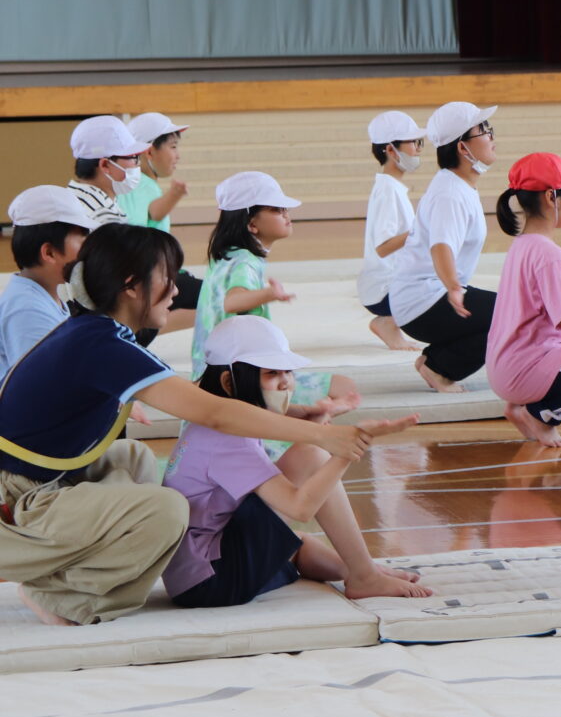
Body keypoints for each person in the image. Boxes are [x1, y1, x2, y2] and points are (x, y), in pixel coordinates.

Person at [0, 224, 374, 626]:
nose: (176, 289)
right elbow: (212, 412)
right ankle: (60, 594)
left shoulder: (101, 334)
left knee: (135, 459)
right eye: (167, 277)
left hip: (41, 479)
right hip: (20, 492)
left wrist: (296, 416)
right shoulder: (101, 345)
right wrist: (324, 436)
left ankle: (67, 572)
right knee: (165, 510)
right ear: (131, 285)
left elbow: (197, 397)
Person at [162, 316, 427, 606]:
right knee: (310, 455)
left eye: (287, 371)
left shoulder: (211, 423)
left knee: (297, 544)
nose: (285, 382)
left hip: (193, 578)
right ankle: (365, 576)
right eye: (272, 373)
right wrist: (347, 450)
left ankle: (363, 570)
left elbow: (269, 420)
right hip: (213, 578)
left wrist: (310, 418)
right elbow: (300, 507)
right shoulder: (228, 441)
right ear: (229, 382)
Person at [193, 171, 359, 419]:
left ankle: (307, 418)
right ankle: (310, 424)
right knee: (345, 388)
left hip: (214, 373)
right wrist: (269, 293)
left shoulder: (228, 256)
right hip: (242, 376)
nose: (286, 216)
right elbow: (232, 300)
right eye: (276, 210)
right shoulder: (244, 262)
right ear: (251, 224)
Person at [388, 101, 501, 394]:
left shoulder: (458, 184)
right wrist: (453, 287)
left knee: (508, 309)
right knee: (511, 314)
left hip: (429, 296)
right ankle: (441, 369)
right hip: (423, 302)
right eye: (484, 130)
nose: (492, 136)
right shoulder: (450, 193)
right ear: (463, 148)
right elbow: (441, 246)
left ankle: (435, 359)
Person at [486, 153, 561, 449]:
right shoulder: (550, 255)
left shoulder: (522, 244)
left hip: (504, 368)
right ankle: (542, 416)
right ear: (554, 197)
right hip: (524, 372)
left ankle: (519, 408)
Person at [0, 187, 98, 377]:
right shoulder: (27, 309)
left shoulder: (46, 296)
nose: (89, 253)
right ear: (49, 253)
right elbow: (43, 385)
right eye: (83, 243)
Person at [117, 112, 201, 332]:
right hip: (154, 276)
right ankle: (139, 329)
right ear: (150, 151)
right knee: (219, 301)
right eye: (173, 147)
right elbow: (153, 213)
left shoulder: (134, 184)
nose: (178, 155)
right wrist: (174, 194)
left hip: (159, 273)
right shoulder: (142, 184)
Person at [359, 110, 424, 351]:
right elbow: (383, 247)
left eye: (420, 143)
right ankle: (389, 318)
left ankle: (389, 321)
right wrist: (422, 232)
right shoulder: (388, 191)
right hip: (385, 290)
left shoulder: (392, 187)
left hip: (387, 287)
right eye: (413, 143)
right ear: (390, 150)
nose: (417, 149)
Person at [66, 114, 148, 228]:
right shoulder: (102, 217)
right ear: (105, 165)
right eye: (134, 157)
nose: (138, 163)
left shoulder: (68, 199)